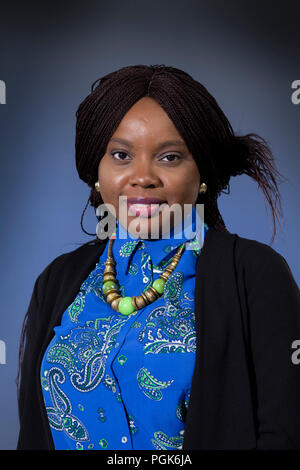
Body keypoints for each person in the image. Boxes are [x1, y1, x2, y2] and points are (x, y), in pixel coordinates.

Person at [16, 64, 300, 450]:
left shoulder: (254, 274)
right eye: (120, 154)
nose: (143, 176)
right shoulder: (58, 280)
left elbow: (284, 435)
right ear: (97, 172)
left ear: (201, 173)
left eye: (169, 157)